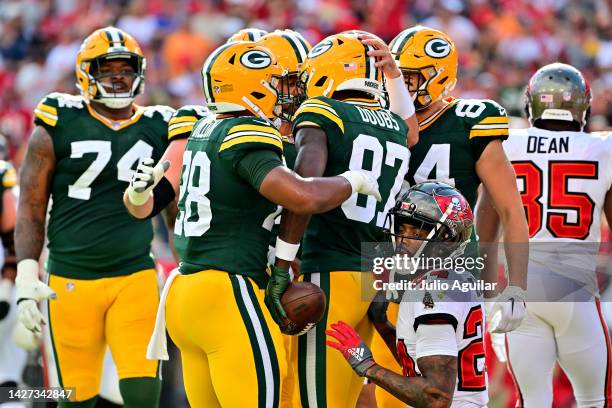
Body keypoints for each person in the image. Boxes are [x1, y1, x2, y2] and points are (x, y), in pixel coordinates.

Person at [125, 40, 382, 407]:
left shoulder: (203, 129)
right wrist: (352, 181)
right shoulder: (247, 132)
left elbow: (144, 206)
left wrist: (134, 196)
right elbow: (302, 196)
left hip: (185, 294)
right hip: (229, 290)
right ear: (251, 88)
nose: (285, 94)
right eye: (277, 84)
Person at [368, 26, 528, 407]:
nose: (400, 86)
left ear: (439, 76)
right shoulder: (379, 120)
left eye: (410, 77)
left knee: (441, 390)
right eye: (397, 76)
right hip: (385, 264)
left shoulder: (468, 120)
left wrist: (516, 287)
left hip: (446, 273)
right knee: (380, 387)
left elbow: (509, 208)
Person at [14, 27, 174, 406]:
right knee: (75, 394)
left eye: (125, 68)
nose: (118, 76)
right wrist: (24, 273)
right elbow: (31, 204)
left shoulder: (160, 125)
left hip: (134, 274)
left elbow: (174, 206)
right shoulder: (58, 121)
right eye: (107, 69)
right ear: (87, 73)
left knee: (142, 392)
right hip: (69, 279)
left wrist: (186, 267)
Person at [271, 32, 417, 407]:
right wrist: (395, 76)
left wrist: (282, 264)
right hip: (377, 274)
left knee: (319, 400)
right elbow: (411, 128)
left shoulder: (323, 111)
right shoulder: (396, 126)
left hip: (329, 272)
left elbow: (303, 191)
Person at [477, 62, 612, 407]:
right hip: (577, 292)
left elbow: (485, 233)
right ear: (583, 104)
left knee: (532, 402)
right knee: (595, 400)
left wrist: (488, 300)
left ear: (531, 102)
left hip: (521, 292)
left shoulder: (507, 142)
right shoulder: (602, 149)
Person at [327, 182, 488, 408]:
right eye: (401, 229)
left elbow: (437, 397)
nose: (403, 239)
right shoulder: (454, 279)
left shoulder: (432, 294)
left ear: (447, 240)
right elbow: (424, 358)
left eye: (416, 231)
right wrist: (384, 326)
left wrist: (368, 366)